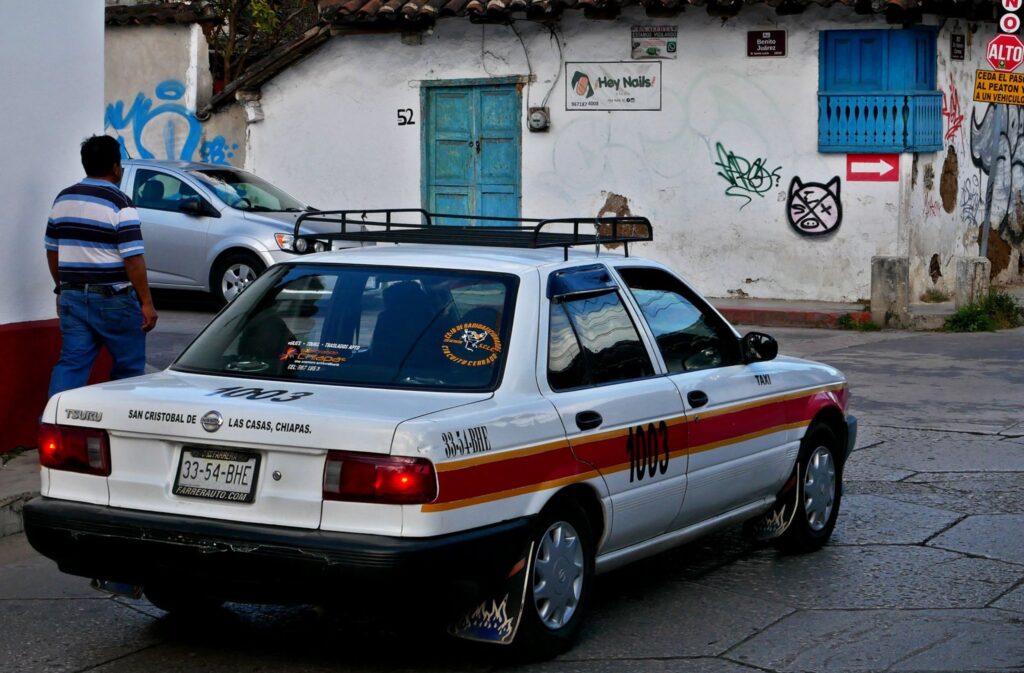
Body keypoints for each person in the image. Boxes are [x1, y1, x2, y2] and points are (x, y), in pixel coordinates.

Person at [44, 135, 158, 398]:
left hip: (72, 296)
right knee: (128, 369)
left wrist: (61, 288)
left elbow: (52, 250)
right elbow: (133, 258)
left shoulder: (63, 199)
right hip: (113, 299)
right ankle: (121, 431)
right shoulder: (121, 203)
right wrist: (146, 303)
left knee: (71, 365)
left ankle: (52, 427)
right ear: (116, 167)